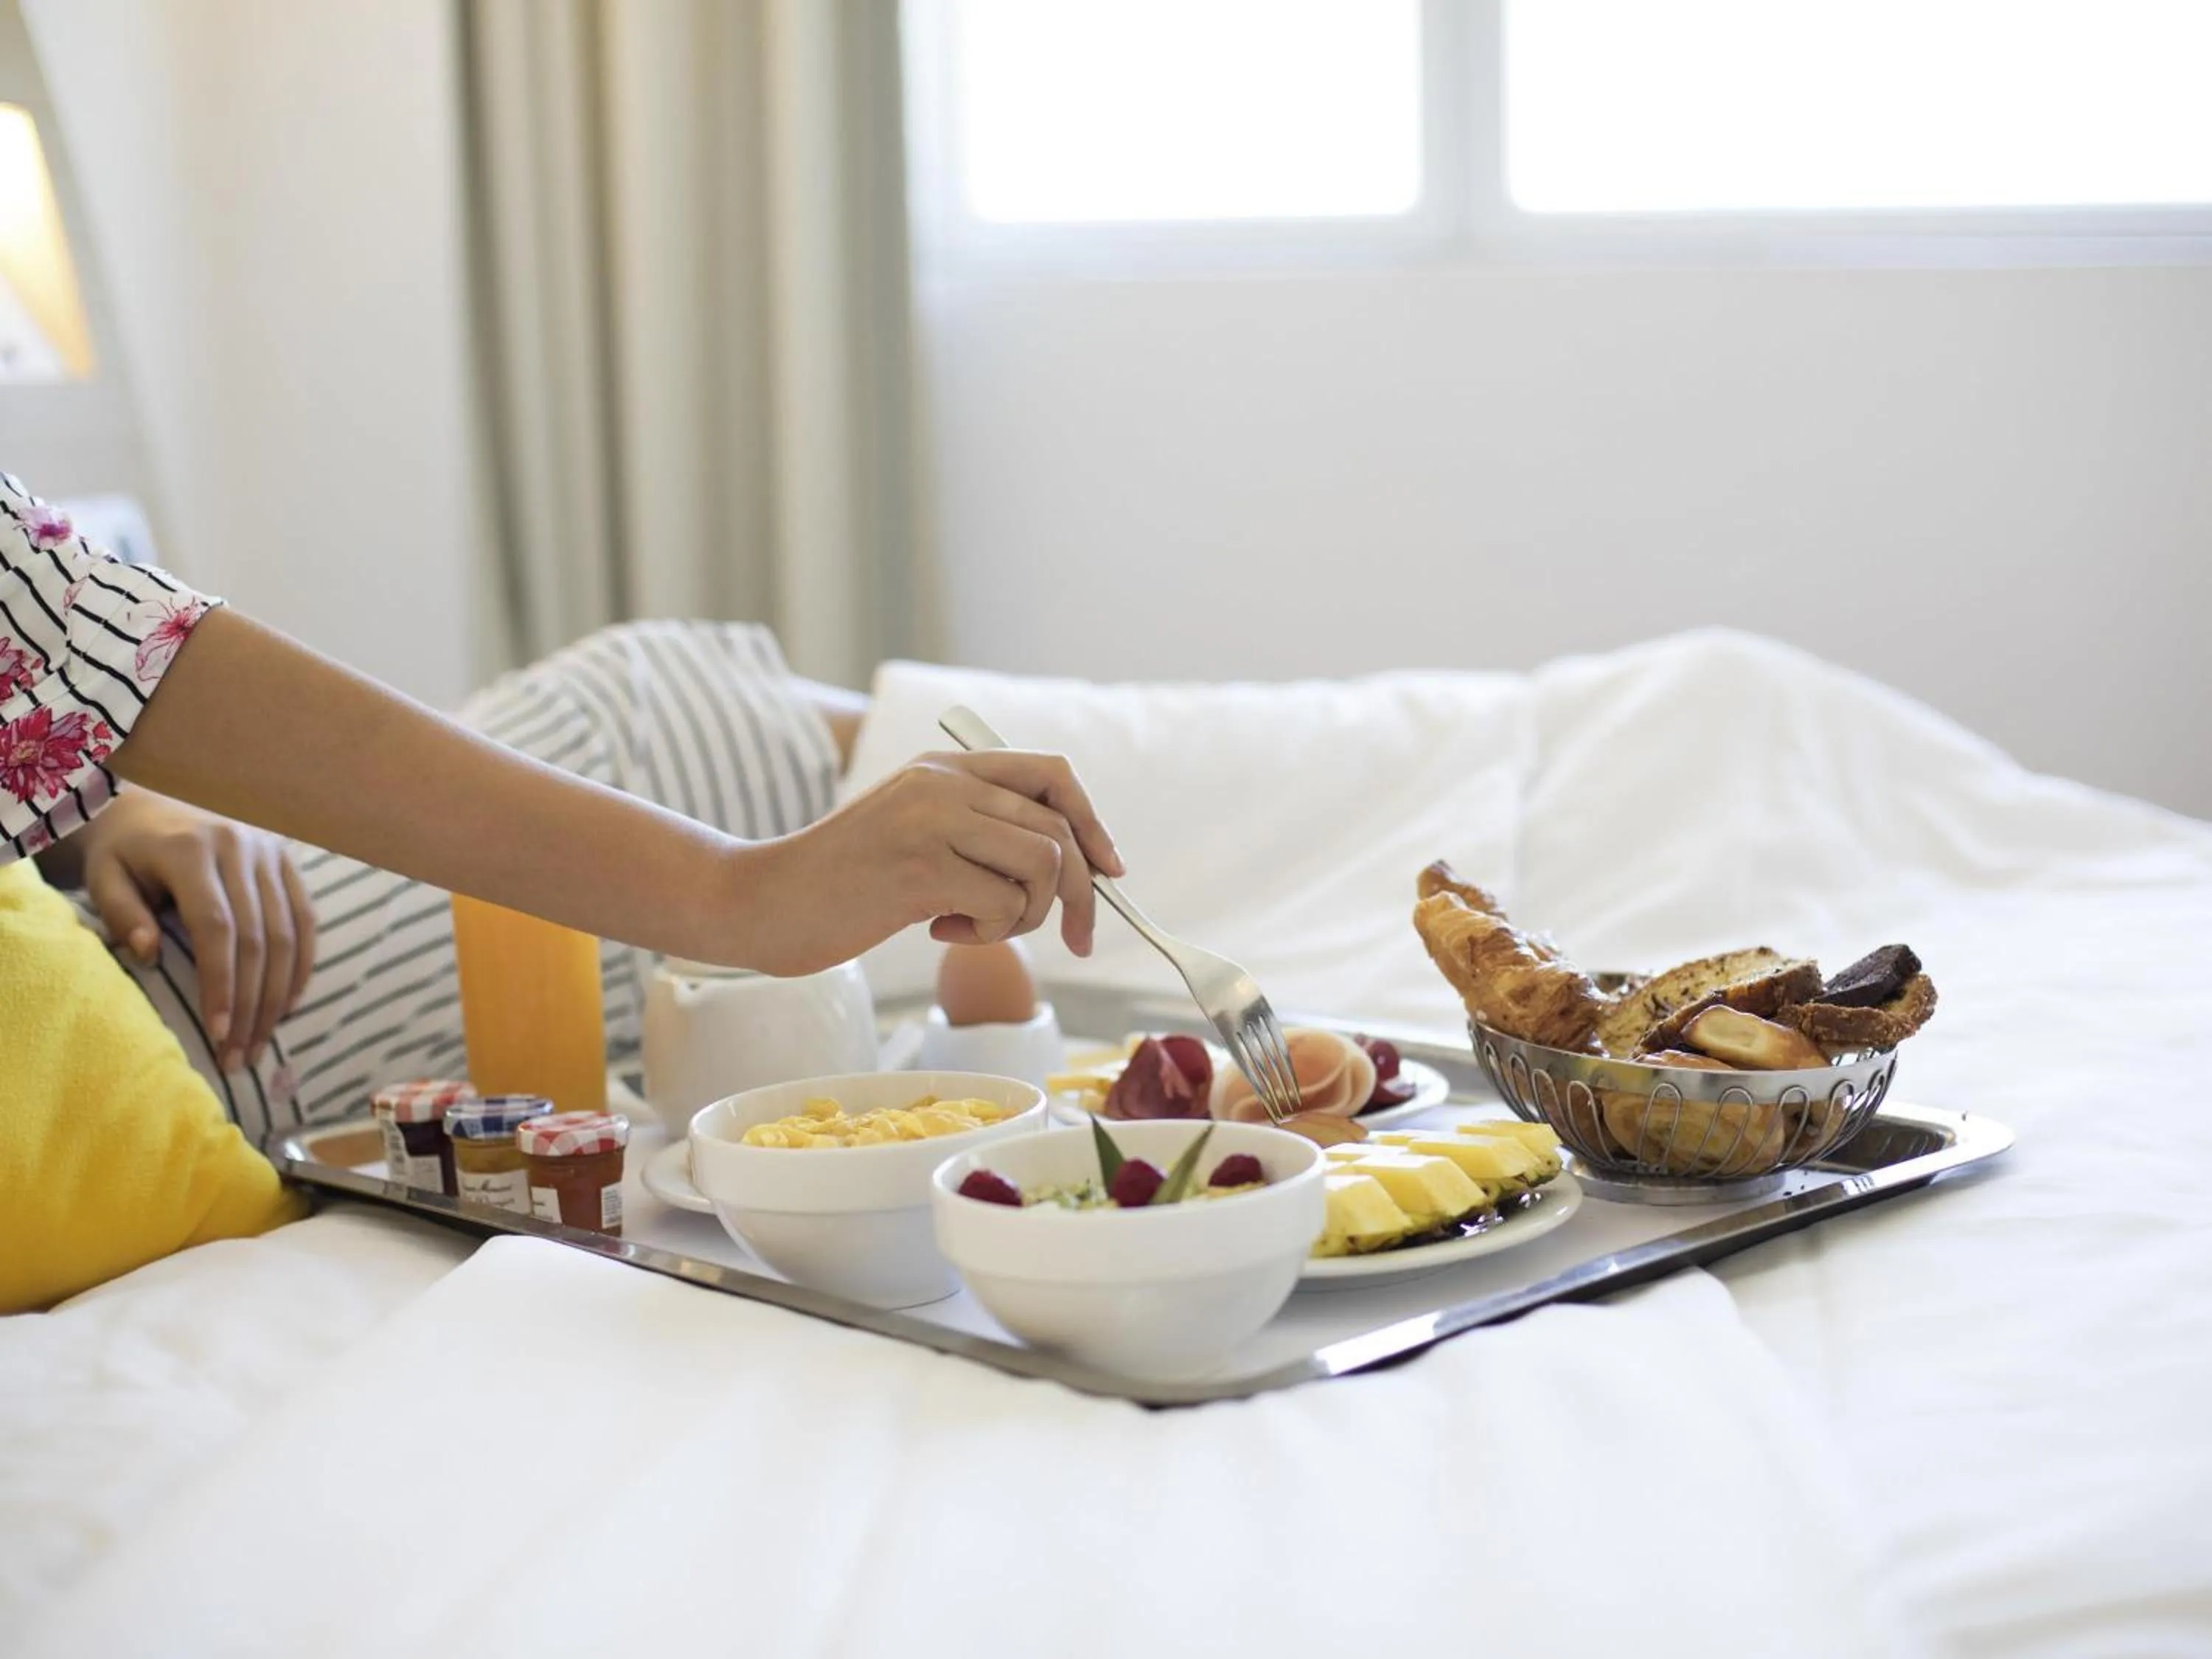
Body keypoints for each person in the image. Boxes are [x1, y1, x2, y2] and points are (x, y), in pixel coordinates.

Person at [1, 471, 1123, 1146]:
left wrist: (107, 810)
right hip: (599, 982)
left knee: (1110, 783)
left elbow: (82, 637)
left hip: (599, 795)